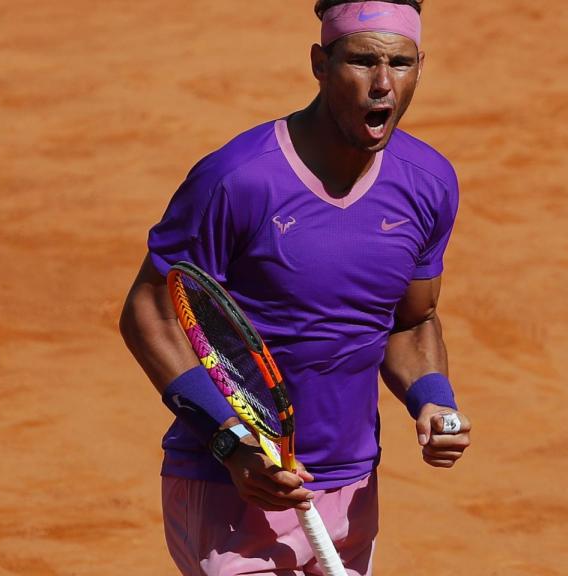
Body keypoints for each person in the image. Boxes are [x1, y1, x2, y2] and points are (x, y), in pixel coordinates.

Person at [119, 1, 471, 574]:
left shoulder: (428, 184)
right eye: (361, 62)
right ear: (319, 63)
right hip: (231, 489)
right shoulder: (238, 179)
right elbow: (150, 314)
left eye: (401, 64)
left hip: (352, 489)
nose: (383, 85)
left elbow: (410, 319)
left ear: (420, 65)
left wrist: (433, 398)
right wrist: (230, 442)